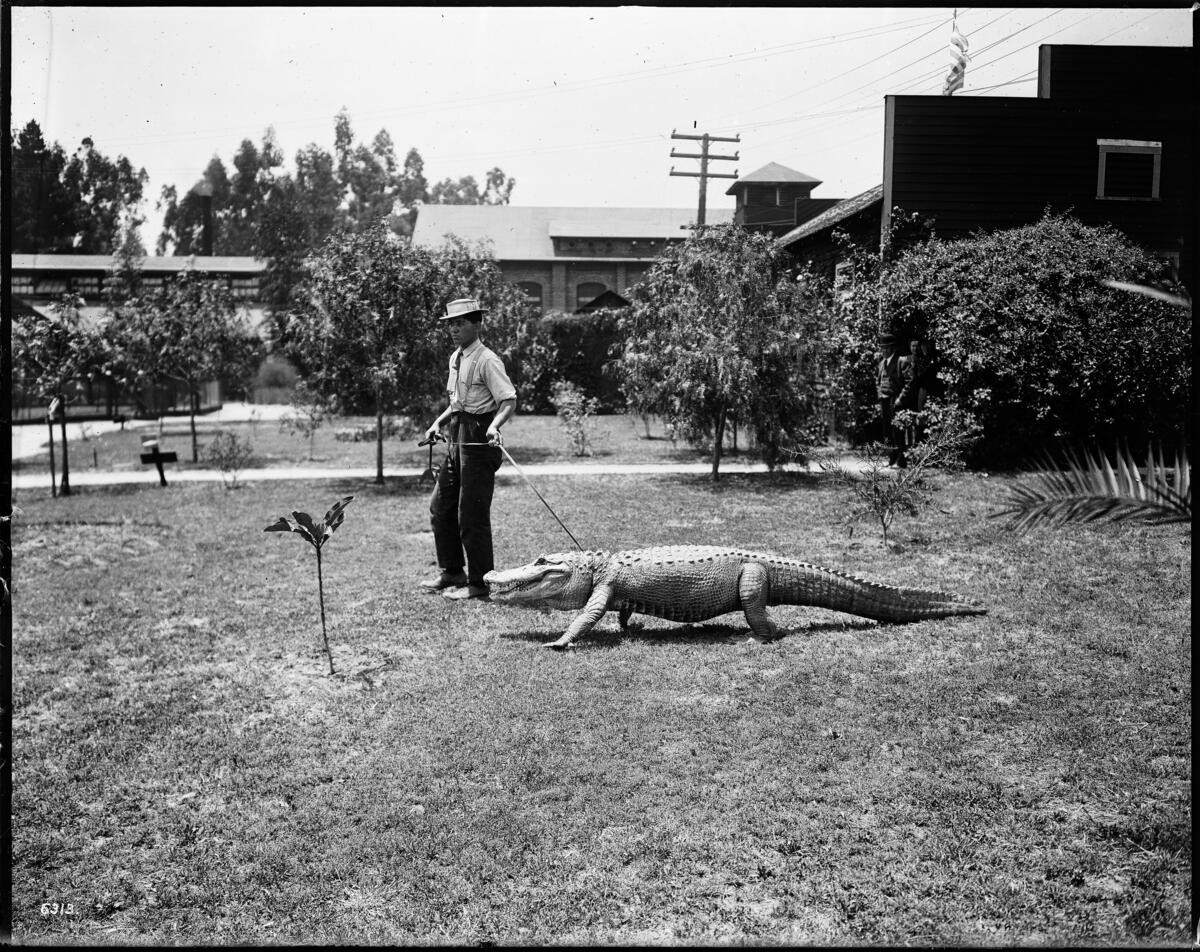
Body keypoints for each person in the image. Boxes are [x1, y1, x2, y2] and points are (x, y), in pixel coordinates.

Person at [420, 298, 517, 601]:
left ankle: (479, 582)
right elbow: (456, 402)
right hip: (456, 435)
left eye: (460, 322)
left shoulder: (488, 360)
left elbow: (509, 400)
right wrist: (438, 422)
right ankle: (452, 571)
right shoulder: (456, 357)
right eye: (451, 323)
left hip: (478, 438)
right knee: (440, 506)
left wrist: (494, 426)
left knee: (471, 514)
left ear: (477, 324)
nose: (454, 328)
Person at [875, 333, 905, 467]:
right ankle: (892, 457)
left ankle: (901, 459)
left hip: (895, 399)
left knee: (897, 430)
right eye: (882, 348)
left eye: (887, 348)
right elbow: (878, 381)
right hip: (884, 400)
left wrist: (901, 398)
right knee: (886, 430)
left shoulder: (900, 361)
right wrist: (879, 395)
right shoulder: (882, 363)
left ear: (892, 348)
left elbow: (909, 382)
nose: (884, 351)